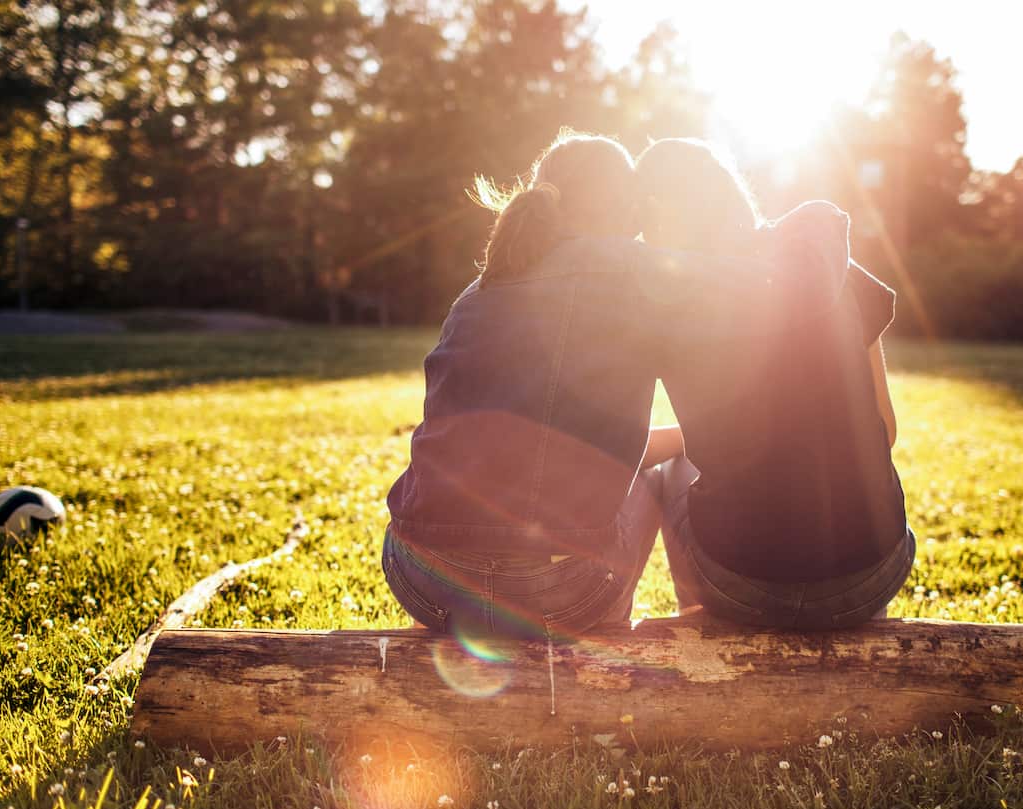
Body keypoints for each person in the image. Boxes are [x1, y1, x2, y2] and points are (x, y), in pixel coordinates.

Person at [382, 130, 746, 642]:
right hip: (557, 591)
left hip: (421, 577)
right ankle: (637, 627)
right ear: (627, 206)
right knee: (655, 477)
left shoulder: (482, 285)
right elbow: (743, 285)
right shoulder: (641, 276)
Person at [634, 138, 914, 630]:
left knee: (671, 472)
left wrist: (683, 440)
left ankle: (706, 631)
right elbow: (885, 430)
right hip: (873, 574)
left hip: (741, 584)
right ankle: (852, 622)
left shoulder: (665, 297)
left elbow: (624, 445)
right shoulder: (828, 263)